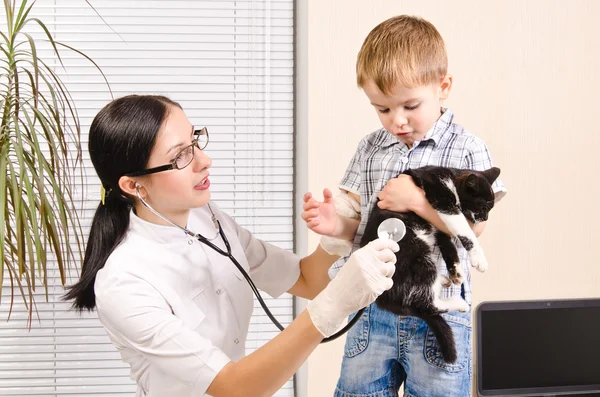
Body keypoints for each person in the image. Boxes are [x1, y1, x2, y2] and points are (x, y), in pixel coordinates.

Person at [64, 94, 400, 397]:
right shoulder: (124, 282)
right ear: (134, 185)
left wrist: (338, 230)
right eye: (180, 156)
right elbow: (235, 386)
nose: (203, 160)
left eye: (194, 141)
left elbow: (306, 279)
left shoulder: (208, 218)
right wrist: (332, 307)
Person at [302, 15, 507, 397]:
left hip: (439, 308)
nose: (396, 120)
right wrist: (337, 226)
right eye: (382, 109)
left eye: (410, 105)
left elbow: (474, 231)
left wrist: (417, 201)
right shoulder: (371, 147)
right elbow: (366, 231)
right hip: (374, 306)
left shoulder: (467, 149)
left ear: (443, 87)